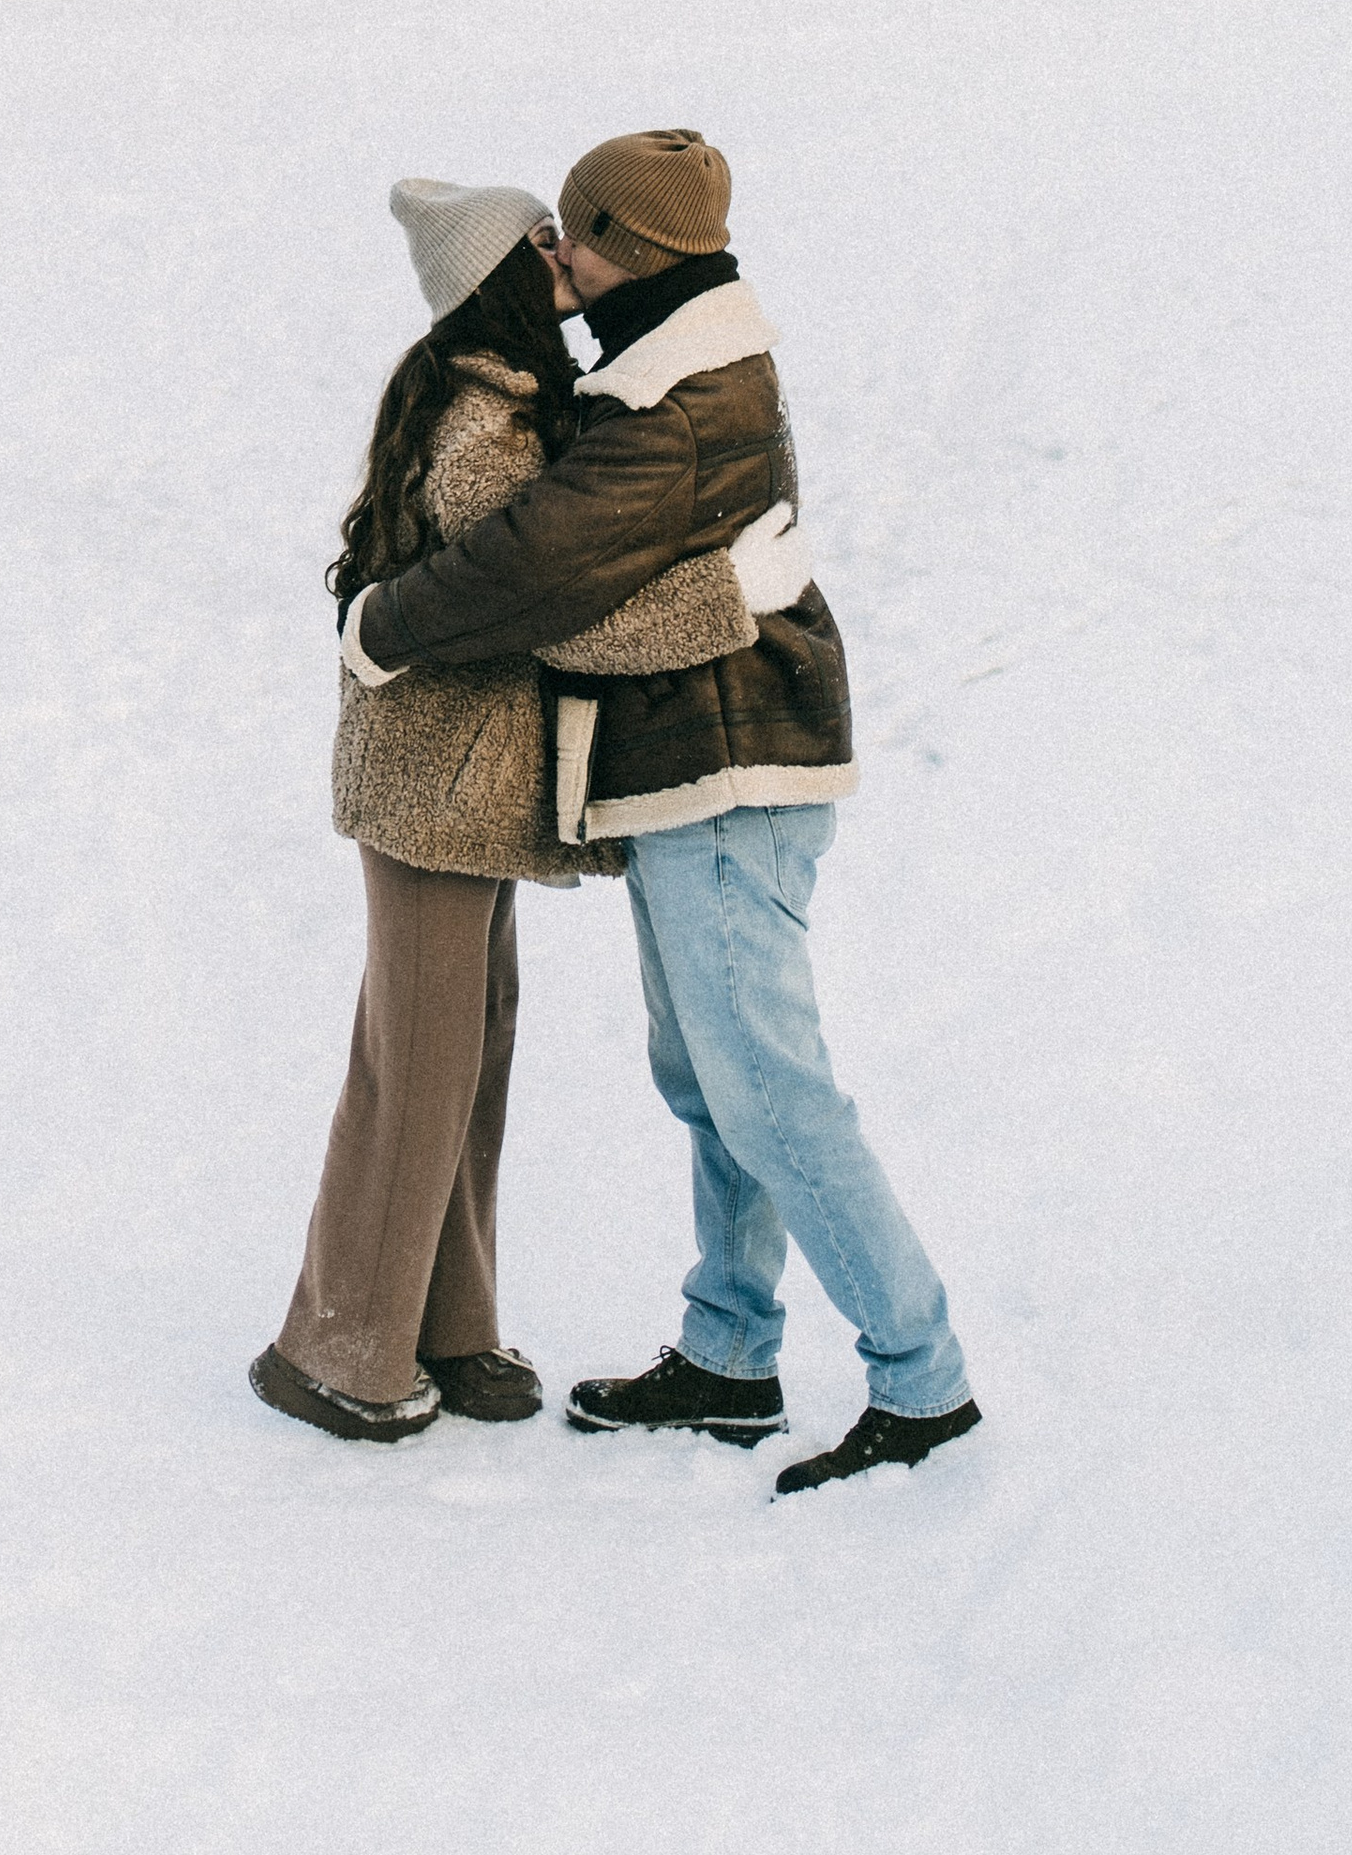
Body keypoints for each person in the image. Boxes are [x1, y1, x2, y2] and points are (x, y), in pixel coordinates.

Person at [336, 129, 980, 1496]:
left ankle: (919, 1382)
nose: (558, 261)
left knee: (771, 1095)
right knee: (711, 1086)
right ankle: (729, 1356)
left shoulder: (676, 405)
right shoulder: (670, 370)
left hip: (735, 775)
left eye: (575, 234)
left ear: (633, 245)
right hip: (699, 775)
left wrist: (385, 625)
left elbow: (536, 574)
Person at [251, 177, 756, 1445]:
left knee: (467, 1050)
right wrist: (729, 598)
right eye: (542, 243)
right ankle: (338, 1346)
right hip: (430, 788)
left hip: (459, 790)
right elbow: (556, 601)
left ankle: (449, 1323)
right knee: (416, 1066)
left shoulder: (517, 402)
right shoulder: (481, 422)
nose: (565, 259)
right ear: (489, 278)